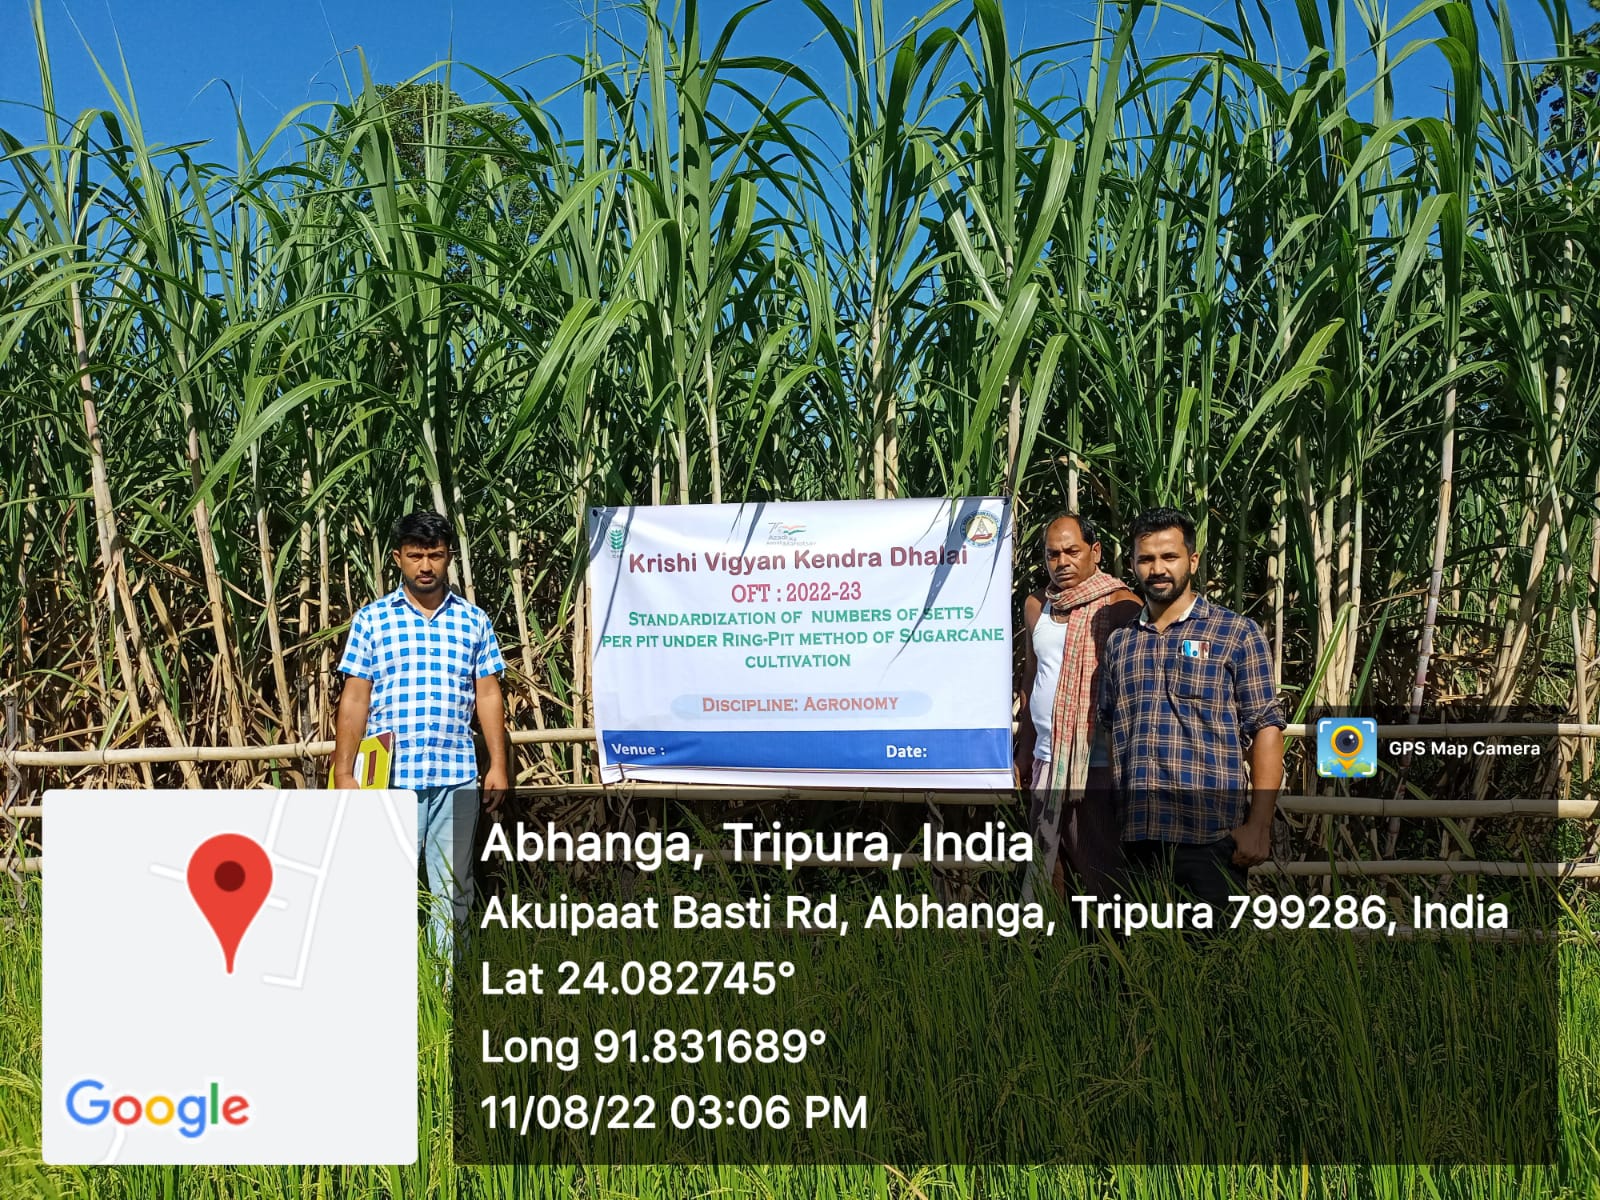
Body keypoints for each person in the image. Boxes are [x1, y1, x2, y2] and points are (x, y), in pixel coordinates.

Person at [334, 510, 509, 953]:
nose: (425, 566)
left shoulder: (474, 621)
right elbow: (355, 698)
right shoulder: (372, 620)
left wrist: (498, 765)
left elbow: (488, 694)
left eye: (435, 555)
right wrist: (343, 772)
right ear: (398, 558)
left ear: (449, 557)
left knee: (454, 888)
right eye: (415, 556)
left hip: (457, 775)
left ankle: (445, 987)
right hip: (388, 777)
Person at [1097, 506, 1285, 915]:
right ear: (1133, 564)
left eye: (1169, 556)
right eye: (1146, 559)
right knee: (1139, 952)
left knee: (1214, 953)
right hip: (1137, 839)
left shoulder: (1236, 633)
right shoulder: (1120, 644)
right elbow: (1112, 728)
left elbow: (1266, 728)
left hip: (1211, 837)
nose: (1157, 569)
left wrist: (1258, 825)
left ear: (1192, 561)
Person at [1016, 513, 1141, 901]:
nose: (1062, 562)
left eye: (1072, 551)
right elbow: (1032, 677)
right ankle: (1052, 937)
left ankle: (1110, 940)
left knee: (1101, 871)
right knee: (1049, 868)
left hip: (1096, 764)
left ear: (1095, 551)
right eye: (1053, 554)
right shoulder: (1037, 605)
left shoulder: (1122, 606)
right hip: (1046, 760)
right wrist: (1024, 751)